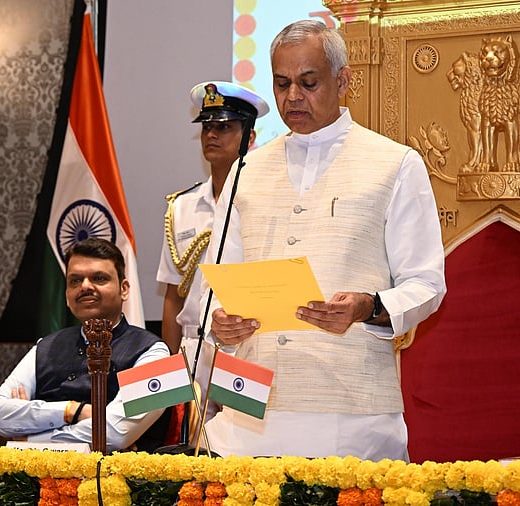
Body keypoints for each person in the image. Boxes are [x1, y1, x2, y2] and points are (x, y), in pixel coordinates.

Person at [203, 20, 447, 462]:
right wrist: (221, 325)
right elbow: (218, 285)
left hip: (350, 413)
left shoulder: (395, 164)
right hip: (246, 411)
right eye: (282, 84)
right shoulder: (246, 172)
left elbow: (426, 284)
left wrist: (367, 306)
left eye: (308, 82)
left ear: (343, 80)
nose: (293, 96)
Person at [0, 238, 171, 452]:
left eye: (99, 278)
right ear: (66, 295)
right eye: (75, 280)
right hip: (37, 478)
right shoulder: (46, 346)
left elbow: (113, 434)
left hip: (117, 480)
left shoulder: (157, 353)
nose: (85, 286)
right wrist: (72, 411)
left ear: (124, 289)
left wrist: (29, 441)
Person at [157, 81, 268, 421]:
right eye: (207, 127)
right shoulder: (183, 207)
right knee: (184, 449)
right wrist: (170, 363)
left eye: (225, 127)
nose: (212, 135)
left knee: (243, 445)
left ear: (249, 137)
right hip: (192, 347)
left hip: (246, 345)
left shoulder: (266, 203)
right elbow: (174, 296)